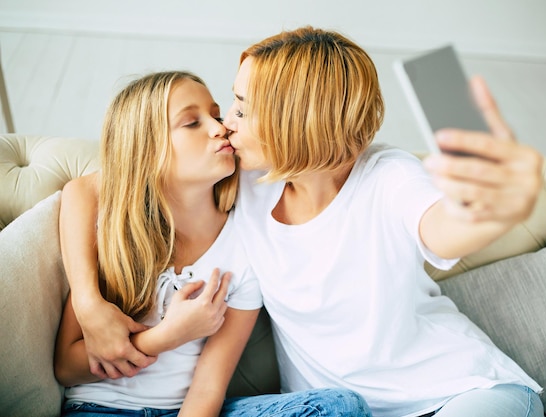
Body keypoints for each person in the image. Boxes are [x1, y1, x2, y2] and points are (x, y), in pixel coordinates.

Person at [59, 27, 545, 417]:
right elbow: (95, 186)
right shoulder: (243, 182)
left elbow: (442, 227)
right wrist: (87, 299)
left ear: (295, 121)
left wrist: (490, 206)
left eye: (243, 109)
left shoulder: (389, 176)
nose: (227, 122)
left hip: (459, 391)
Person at [54, 70, 372, 417]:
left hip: (195, 410)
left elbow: (208, 388)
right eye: (192, 122)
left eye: (216, 114)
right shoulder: (115, 234)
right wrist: (167, 336)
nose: (220, 127)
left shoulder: (243, 245)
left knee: (341, 407)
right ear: (146, 150)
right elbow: (67, 367)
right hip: (101, 409)